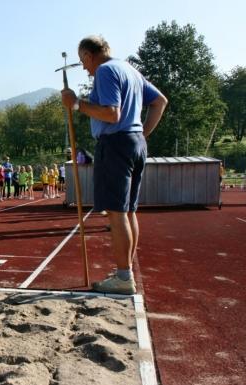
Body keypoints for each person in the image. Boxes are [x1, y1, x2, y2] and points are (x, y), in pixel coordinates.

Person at [61, 35, 168, 294]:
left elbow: (111, 113)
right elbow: (160, 102)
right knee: (128, 211)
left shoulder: (106, 70)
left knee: (118, 212)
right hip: (134, 143)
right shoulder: (129, 69)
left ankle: (123, 277)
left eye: (83, 62)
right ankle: (125, 271)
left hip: (116, 144)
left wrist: (76, 104)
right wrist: (142, 133)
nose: (85, 69)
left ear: (88, 54)